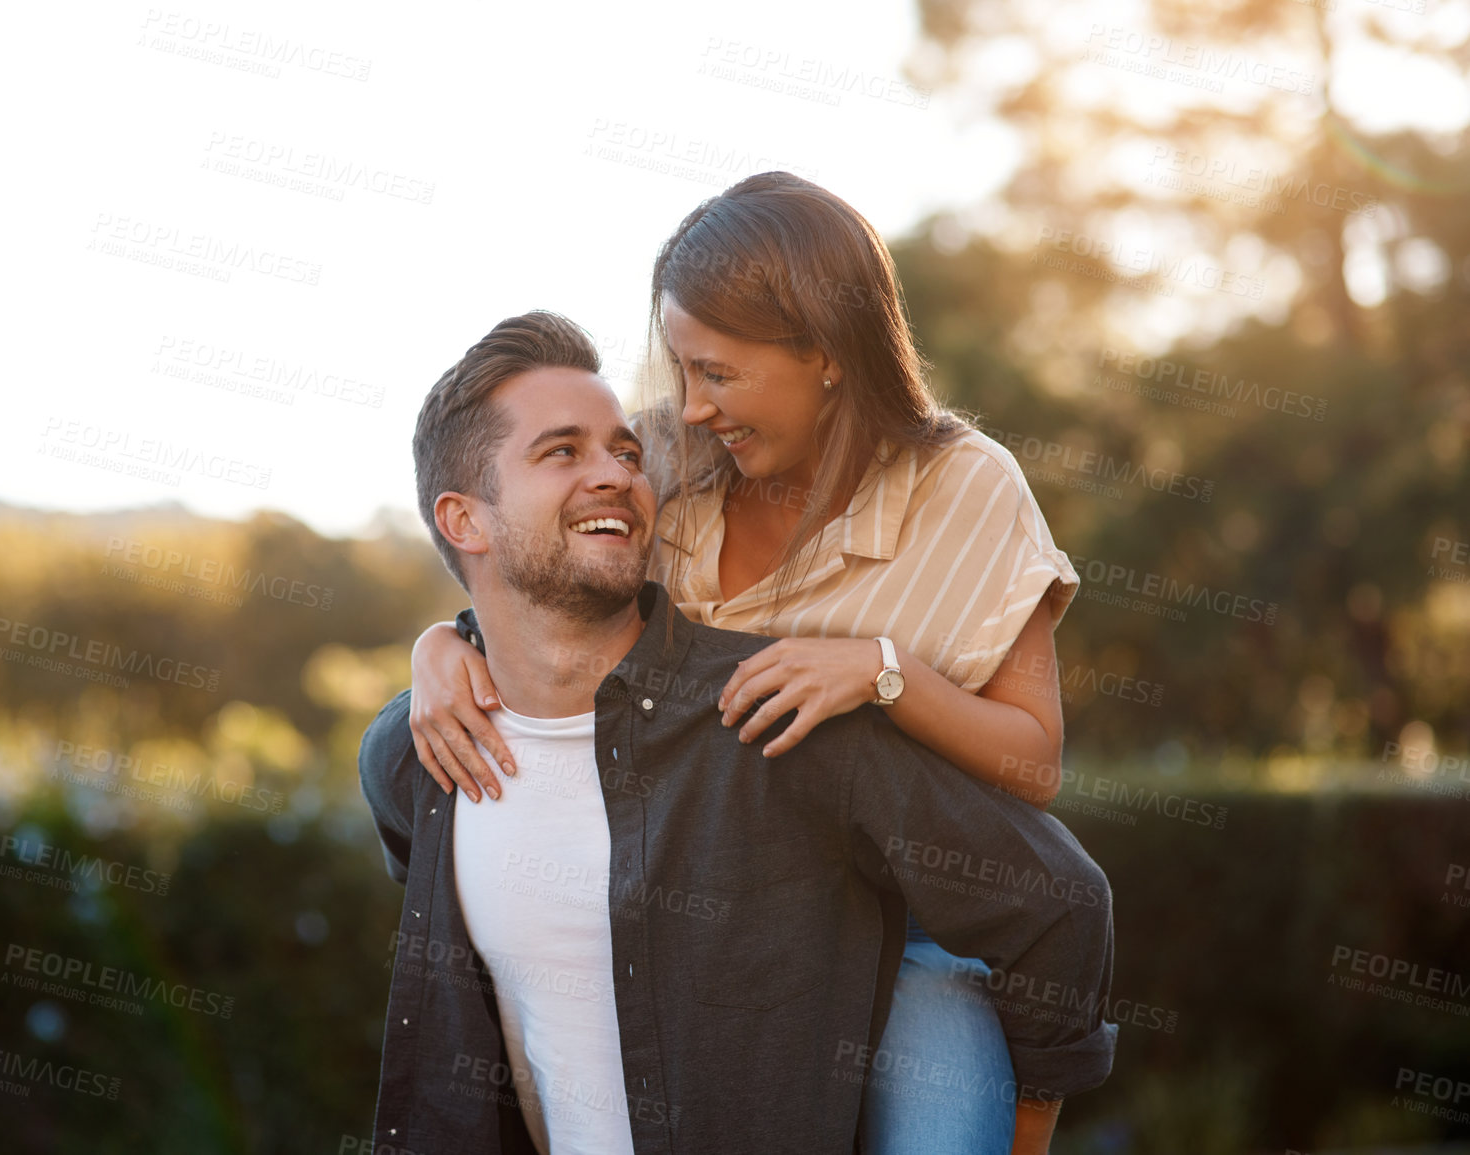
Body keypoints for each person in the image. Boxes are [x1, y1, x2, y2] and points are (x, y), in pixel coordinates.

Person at [406, 173, 1080, 1152]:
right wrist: (444, 643)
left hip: (906, 931)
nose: (689, 405)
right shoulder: (669, 460)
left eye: (718, 373)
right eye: (680, 369)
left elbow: (1034, 766)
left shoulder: (968, 489)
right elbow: (550, 595)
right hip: (714, 919)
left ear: (825, 353)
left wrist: (882, 671)